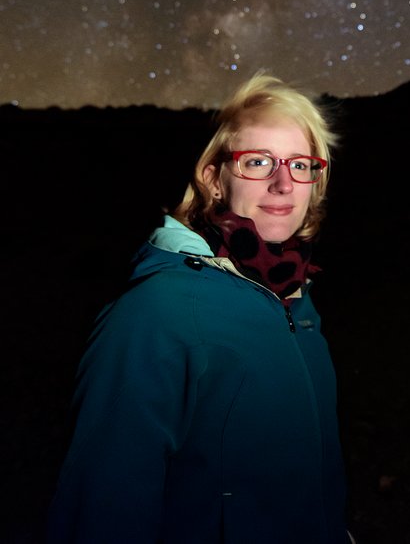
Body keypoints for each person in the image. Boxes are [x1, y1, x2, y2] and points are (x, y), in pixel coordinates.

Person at [48, 72, 351, 543]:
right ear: (213, 178)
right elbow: (100, 512)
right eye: (257, 161)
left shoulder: (297, 302)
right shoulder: (155, 312)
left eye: (300, 165)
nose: (282, 183)